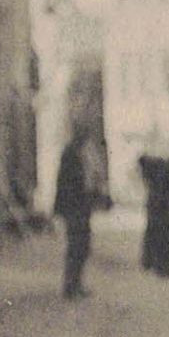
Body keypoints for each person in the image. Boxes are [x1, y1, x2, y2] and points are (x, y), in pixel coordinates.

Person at [53, 73, 111, 299]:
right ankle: (70, 286)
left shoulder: (81, 153)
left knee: (83, 246)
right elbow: (67, 183)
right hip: (74, 208)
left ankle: (75, 284)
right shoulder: (71, 154)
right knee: (76, 246)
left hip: (81, 206)